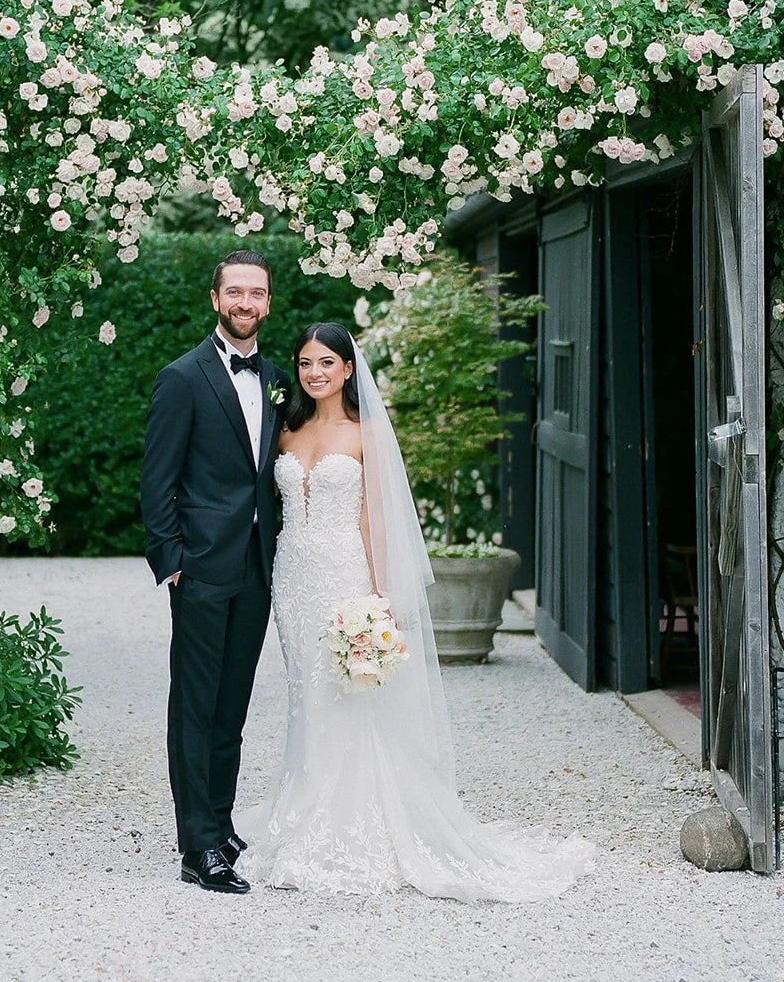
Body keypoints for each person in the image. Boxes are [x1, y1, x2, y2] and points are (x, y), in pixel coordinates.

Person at [233, 322, 596, 901]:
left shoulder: (367, 433)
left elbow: (374, 520)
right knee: (306, 693)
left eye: (327, 362)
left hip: (344, 575)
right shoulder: (287, 429)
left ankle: (352, 821)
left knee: (347, 694)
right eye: (305, 363)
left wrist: (381, 599)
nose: (315, 373)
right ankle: (301, 804)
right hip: (292, 579)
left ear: (349, 369)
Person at [140, 250, 291, 894]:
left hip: (257, 568)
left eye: (256, 293)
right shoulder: (182, 378)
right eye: (235, 292)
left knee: (232, 707)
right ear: (214, 299)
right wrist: (170, 561)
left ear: (267, 302)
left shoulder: (280, 379)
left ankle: (221, 825)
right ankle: (195, 846)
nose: (245, 303)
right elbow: (157, 481)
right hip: (200, 568)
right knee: (194, 708)